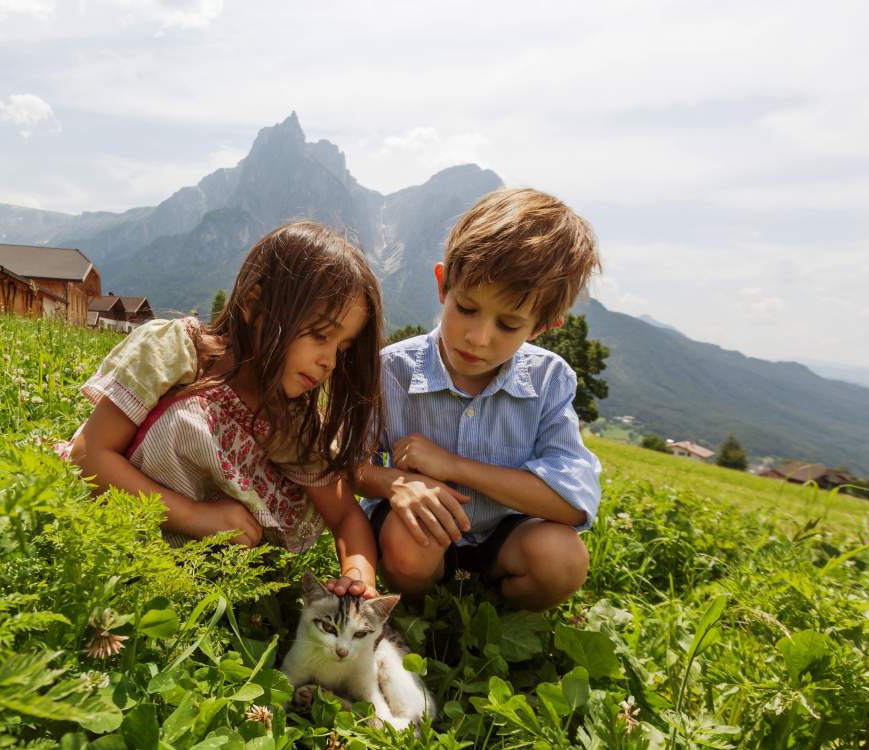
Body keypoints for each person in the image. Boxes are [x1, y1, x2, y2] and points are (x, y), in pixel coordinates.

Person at [62, 221, 383, 586]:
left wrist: (359, 580)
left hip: (197, 587)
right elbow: (88, 457)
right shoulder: (178, 353)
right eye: (319, 335)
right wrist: (196, 516)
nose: (330, 361)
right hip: (105, 540)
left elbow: (345, 518)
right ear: (253, 305)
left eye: (342, 348)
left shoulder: (290, 423)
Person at [328, 188, 602, 611]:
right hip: (417, 529)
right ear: (443, 285)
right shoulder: (392, 370)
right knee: (408, 541)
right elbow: (346, 464)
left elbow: (572, 502)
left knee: (562, 561)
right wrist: (397, 482)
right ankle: (423, 612)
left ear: (542, 327)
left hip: (507, 536)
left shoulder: (549, 379)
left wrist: (453, 466)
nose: (478, 338)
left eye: (509, 324)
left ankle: (485, 615)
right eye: (467, 308)